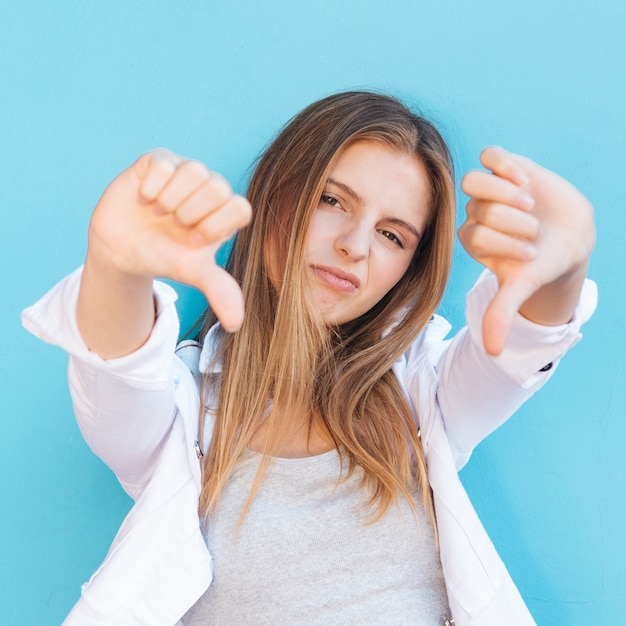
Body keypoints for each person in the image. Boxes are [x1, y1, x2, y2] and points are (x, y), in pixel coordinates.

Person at [22, 91, 597, 626]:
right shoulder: (183, 415)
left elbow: (519, 347)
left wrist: (564, 268)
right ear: (275, 196)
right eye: (331, 200)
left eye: (393, 236)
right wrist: (115, 270)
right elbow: (118, 372)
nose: (355, 244)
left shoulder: (424, 395)